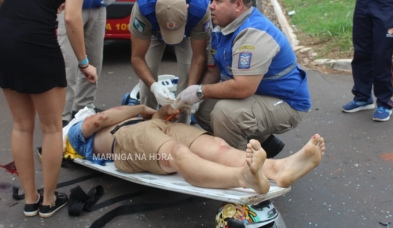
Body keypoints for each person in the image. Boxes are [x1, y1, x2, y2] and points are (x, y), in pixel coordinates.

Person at [0, 0, 98, 218]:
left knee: (21, 125)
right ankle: (49, 200)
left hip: (6, 37)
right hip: (38, 41)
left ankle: (31, 200)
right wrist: (84, 62)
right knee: (52, 127)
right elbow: (72, 17)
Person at [175, 0, 312, 154]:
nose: (211, 6)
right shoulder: (222, 29)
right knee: (204, 108)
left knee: (225, 114)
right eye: (211, 0)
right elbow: (213, 74)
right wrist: (193, 96)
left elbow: (243, 88)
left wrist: (199, 91)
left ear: (238, 5)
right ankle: (264, 145)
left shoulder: (253, 34)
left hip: (287, 103)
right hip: (260, 94)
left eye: (218, 1)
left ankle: (239, 170)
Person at [65, 104, 325, 194]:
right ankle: (243, 177)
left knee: (215, 145)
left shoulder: (126, 115)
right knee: (177, 154)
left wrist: (161, 112)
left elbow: (148, 115)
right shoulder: (74, 132)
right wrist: (141, 109)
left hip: (152, 127)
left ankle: (279, 169)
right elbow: (100, 120)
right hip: (125, 143)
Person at [130, 0, 212, 123]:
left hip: (188, 32)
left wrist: (191, 91)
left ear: (187, 8)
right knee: (149, 72)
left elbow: (199, 57)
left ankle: (183, 124)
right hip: (154, 32)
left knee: (188, 73)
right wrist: (154, 86)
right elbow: (137, 57)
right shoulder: (144, 8)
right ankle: (149, 121)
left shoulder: (200, 8)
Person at [58, 0, 123, 126]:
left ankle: (83, 108)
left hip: (98, 8)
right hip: (70, 9)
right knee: (69, 65)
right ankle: (63, 117)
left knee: (94, 61)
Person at [341, 0, 393, 122]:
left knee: (382, 54)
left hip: (389, 2)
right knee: (361, 51)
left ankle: (385, 103)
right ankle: (362, 97)